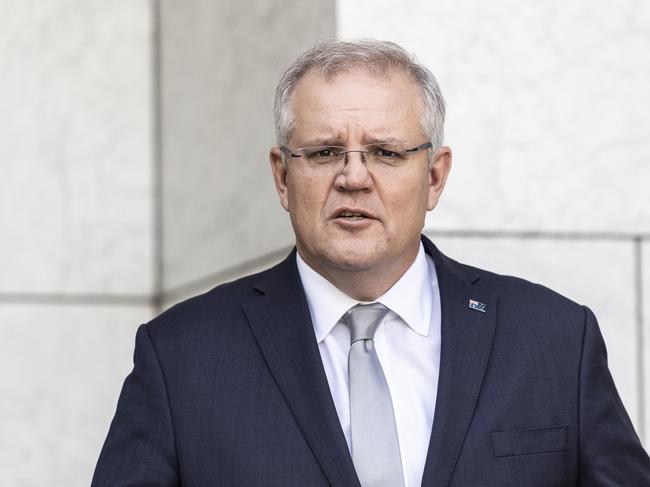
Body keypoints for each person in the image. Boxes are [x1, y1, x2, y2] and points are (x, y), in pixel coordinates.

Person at [92, 39, 650, 486]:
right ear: (283, 177)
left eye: (385, 152)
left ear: (434, 177)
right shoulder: (181, 357)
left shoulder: (553, 339)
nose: (353, 177)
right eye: (324, 152)